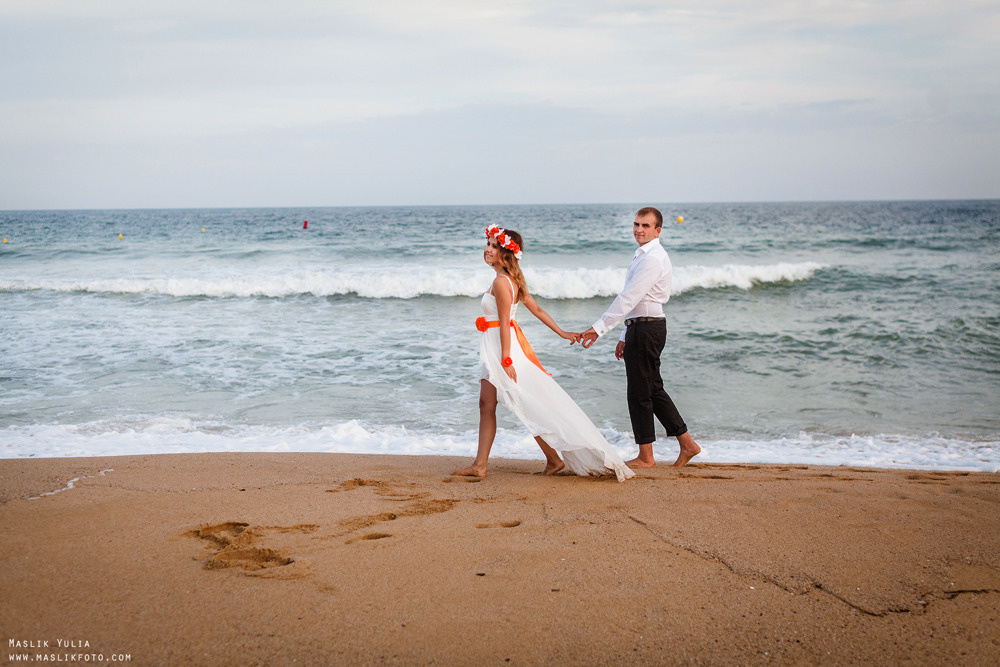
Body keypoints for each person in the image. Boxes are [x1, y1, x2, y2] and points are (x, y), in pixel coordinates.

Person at [452, 225, 635, 482]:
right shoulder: (510, 280)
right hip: (498, 345)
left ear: (506, 253)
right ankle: (490, 463)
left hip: (502, 348)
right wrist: (562, 332)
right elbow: (537, 310)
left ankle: (536, 459)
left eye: (494, 245)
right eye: (488, 244)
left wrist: (506, 359)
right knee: (491, 404)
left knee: (519, 403)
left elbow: (505, 322)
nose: (488, 249)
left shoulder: (501, 282)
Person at [579, 207, 701, 468]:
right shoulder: (643, 255)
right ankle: (688, 444)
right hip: (643, 327)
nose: (639, 229)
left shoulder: (652, 258)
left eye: (645, 225)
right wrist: (625, 333)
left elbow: (629, 297)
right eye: (636, 224)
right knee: (652, 389)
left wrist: (599, 327)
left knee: (639, 393)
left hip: (647, 329)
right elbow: (637, 300)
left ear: (658, 230)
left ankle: (646, 457)